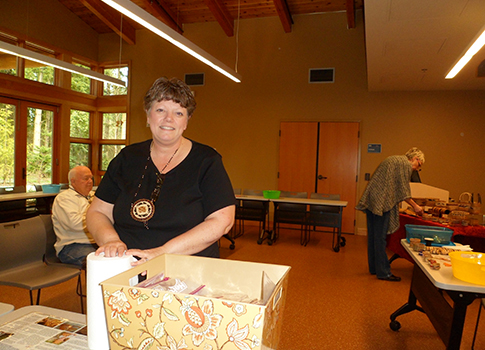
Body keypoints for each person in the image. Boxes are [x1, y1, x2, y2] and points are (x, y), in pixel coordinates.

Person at [86, 77, 235, 266]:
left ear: (187, 121)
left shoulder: (207, 161)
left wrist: (162, 253)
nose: (168, 119)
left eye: (178, 113)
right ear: (148, 115)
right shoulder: (126, 158)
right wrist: (110, 241)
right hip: (128, 266)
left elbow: (222, 221)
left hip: (188, 269)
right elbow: (97, 212)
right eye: (160, 110)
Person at [356, 147, 425, 282]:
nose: (416, 169)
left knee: (374, 237)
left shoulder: (394, 159)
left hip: (373, 200)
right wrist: (415, 206)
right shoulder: (404, 164)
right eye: (419, 165)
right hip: (381, 203)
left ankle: (375, 268)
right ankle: (384, 273)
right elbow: (403, 190)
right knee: (380, 238)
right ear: (415, 159)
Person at [52, 165, 97, 268]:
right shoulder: (64, 198)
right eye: (86, 179)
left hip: (96, 242)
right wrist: (98, 218)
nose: (90, 181)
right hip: (72, 246)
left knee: (123, 255)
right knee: (100, 263)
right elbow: (75, 224)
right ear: (73, 182)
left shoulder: (93, 195)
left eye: (91, 178)